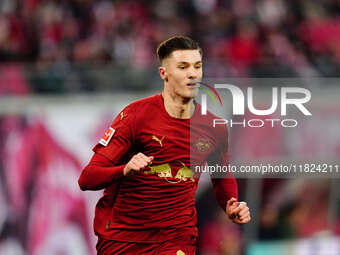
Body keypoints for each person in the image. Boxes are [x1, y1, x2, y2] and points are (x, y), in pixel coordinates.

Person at [78, 36, 251, 255]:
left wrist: (230, 204)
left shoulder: (213, 126)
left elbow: (221, 175)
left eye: (197, 66)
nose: (192, 74)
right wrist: (125, 169)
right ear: (164, 74)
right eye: (183, 67)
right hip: (125, 241)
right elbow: (88, 178)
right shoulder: (135, 116)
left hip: (176, 240)